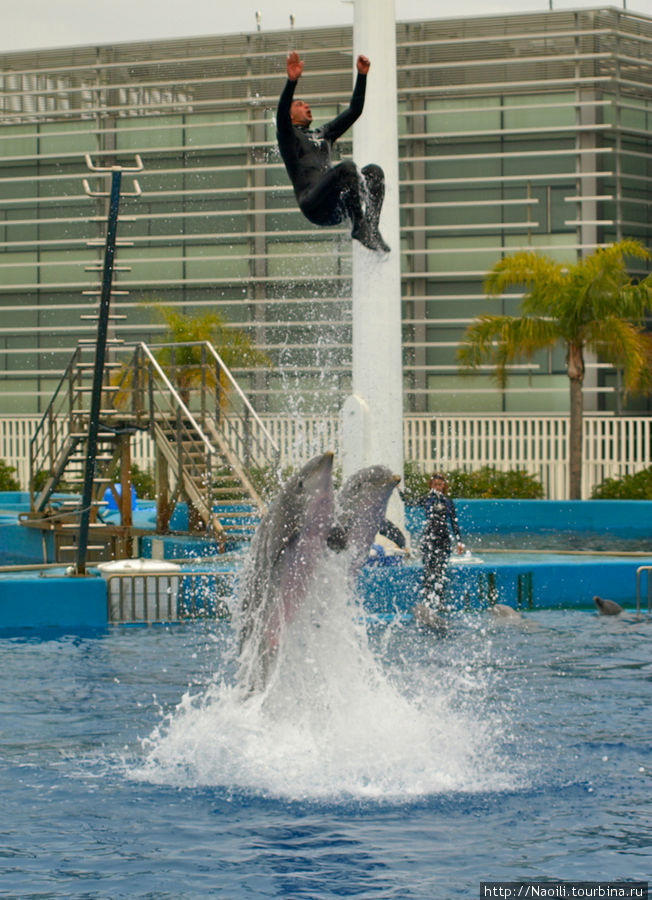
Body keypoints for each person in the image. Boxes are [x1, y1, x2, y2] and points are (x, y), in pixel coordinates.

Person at [276, 50, 390, 253]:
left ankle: (370, 228)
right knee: (347, 168)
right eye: (300, 105)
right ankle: (359, 225)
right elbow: (281, 116)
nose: (306, 106)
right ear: (290, 115)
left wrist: (362, 76)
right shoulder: (288, 137)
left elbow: (354, 110)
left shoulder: (323, 134)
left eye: (306, 103)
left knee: (374, 172)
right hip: (313, 204)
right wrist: (291, 82)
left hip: (335, 207)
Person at [418, 473, 465, 611]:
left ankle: (439, 602)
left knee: (441, 570)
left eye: (440, 484)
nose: (438, 487)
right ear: (431, 485)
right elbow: (407, 502)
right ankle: (426, 601)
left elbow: (454, 523)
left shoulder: (448, 501)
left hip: (444, 538)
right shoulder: (426, 499)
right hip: (429, 538)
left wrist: (459, 541)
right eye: (435, 484)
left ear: (444, 486)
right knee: (428, 569)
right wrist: (396, 488)